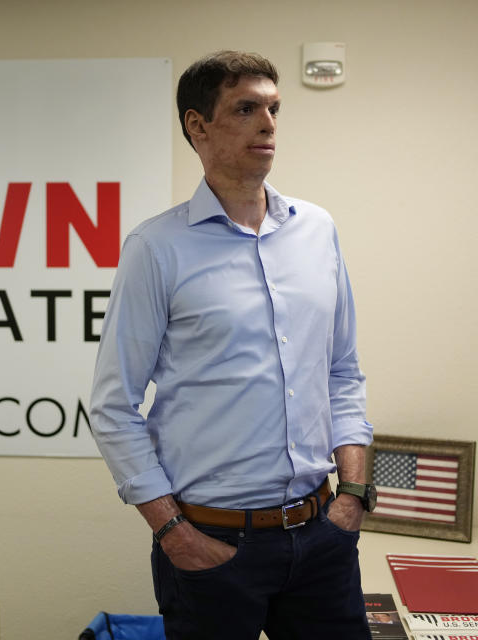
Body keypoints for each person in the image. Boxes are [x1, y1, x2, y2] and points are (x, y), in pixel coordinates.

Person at [89, 50, 375, 640]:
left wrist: (352, 497)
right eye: (246, 109)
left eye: (273, 108)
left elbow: (342, 371)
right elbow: (113, 406)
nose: (268, 125)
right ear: (198, 126)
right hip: (212, 545)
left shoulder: (317, 230)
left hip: (322, 536)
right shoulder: (157, 248)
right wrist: (174, 533)